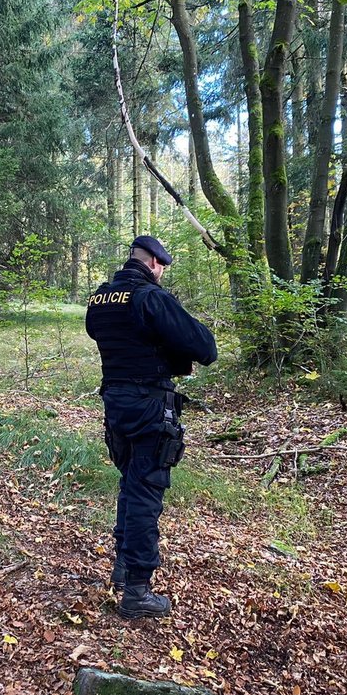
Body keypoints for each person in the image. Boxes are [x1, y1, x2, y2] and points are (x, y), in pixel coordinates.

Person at [85, 236, 217, 620]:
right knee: (145, 493)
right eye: (163, 267)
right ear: (155, 263)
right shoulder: (151, 298)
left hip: (115, 401)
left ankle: (123, 569)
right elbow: (205, 348)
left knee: (130, 484)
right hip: (149, 405)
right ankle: (138, 591)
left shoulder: (100, 299)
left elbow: (106, 336)